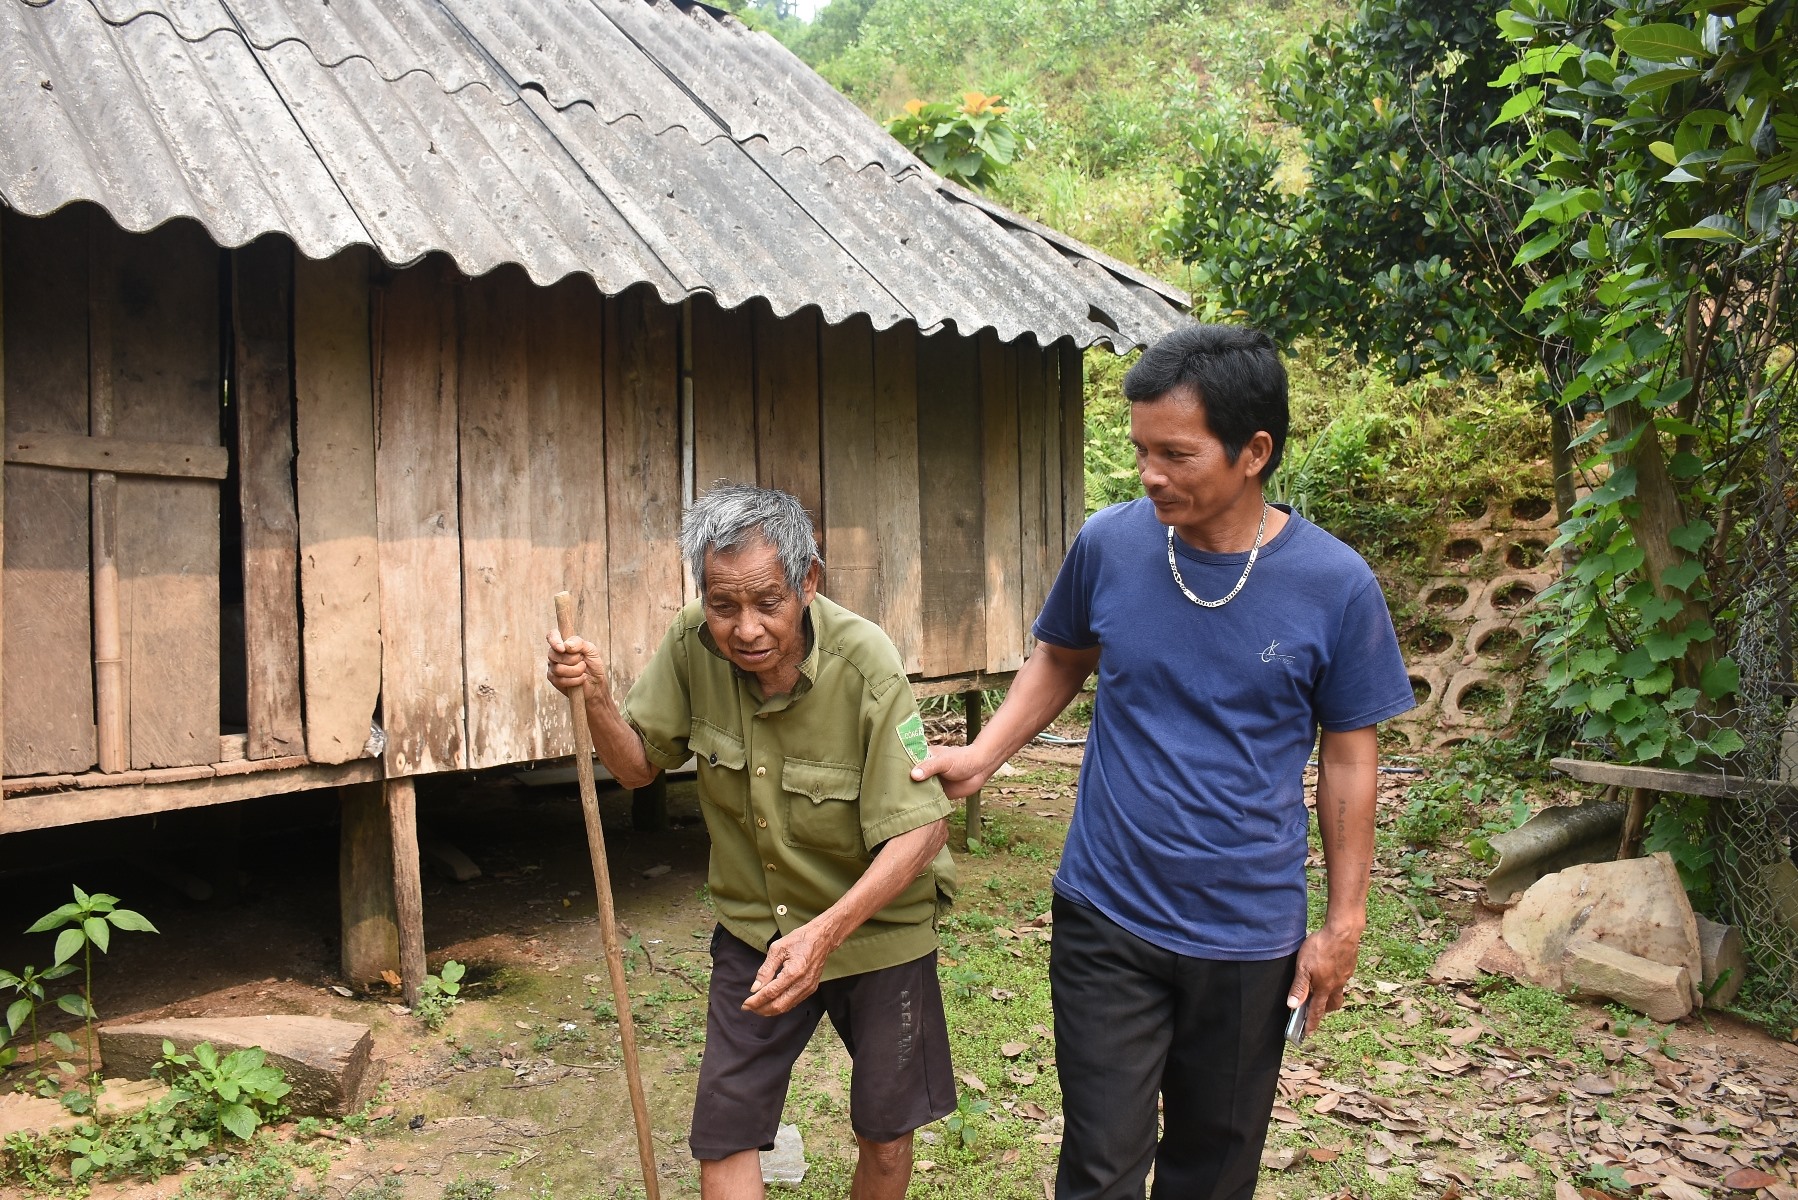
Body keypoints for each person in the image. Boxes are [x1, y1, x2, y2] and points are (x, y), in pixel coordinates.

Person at [911, 324, 1415, 1200]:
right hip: (1108, 914)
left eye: (1175, 454)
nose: (1150, 474)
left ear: (1254, 451)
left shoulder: (1335, 586)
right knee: (1101, 1166)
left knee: (1212, 1173)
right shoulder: (1112, 542)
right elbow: (1064, 655)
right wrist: (986, 755)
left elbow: (1347, 759)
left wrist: (1344, 923)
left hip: (1247, 937)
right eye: (1141, 449)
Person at [546, 484, 956, 1200]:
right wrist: (600, 702)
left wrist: (825, 936)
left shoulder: (866, 663)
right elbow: (639, 767)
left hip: (879, 930)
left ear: (808, 582)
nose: (745, 629)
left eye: (768, 602)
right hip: (756, 931)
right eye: (723, 604)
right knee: (725, 1136)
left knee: (886, 1138)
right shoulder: (691, 643)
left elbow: (923, 828)